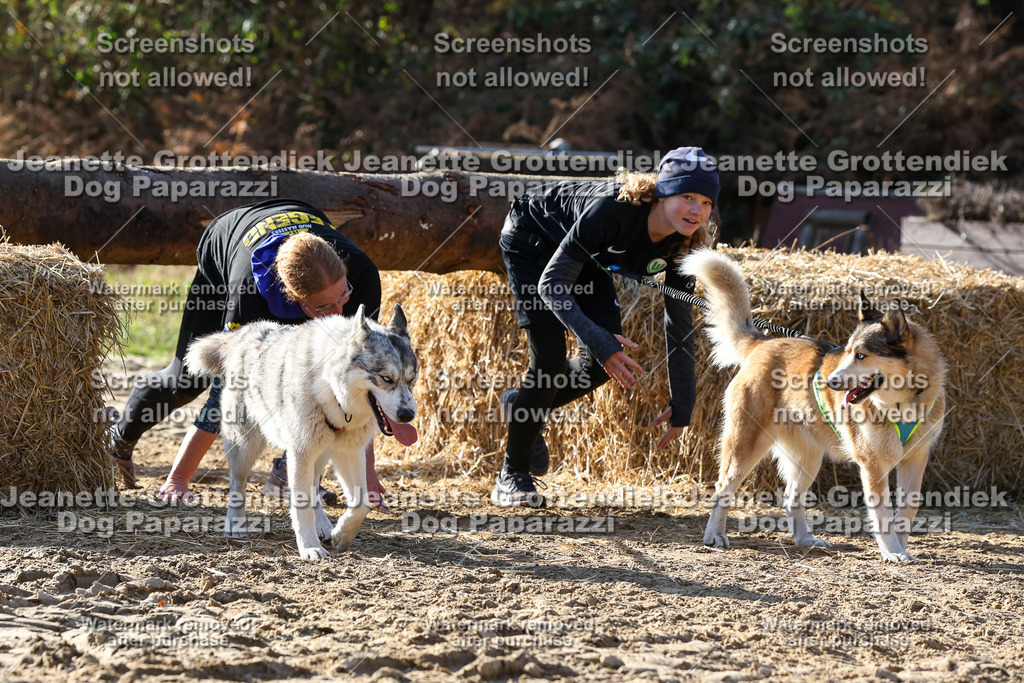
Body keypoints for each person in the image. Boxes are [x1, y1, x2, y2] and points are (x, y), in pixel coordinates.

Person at [109, 198, 391, 510]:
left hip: (299, 218)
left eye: (342, 297)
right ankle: (120, 441)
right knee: (186, 382)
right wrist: (179, 479)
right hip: (226, 245)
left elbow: (358, 381)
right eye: (324, 306)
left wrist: (367, 476)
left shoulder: (362, 274)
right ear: (293, 297)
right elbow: (229, 392)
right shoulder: (248, 294)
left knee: (324, 372)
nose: (340, 312)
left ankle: (286, 476)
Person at [493, 146, 719, 507]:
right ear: (662, 189)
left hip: (589, 259)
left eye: (706, 202)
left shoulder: (684, 244)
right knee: (549, 362)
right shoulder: (614, 210)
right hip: (532, 241)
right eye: (687, 196)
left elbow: (678, 323)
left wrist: (685, 401)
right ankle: (512, 475)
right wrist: (601, 341)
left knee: (598, 366)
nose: (697, 210)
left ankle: (524, 406)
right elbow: (551, 285)